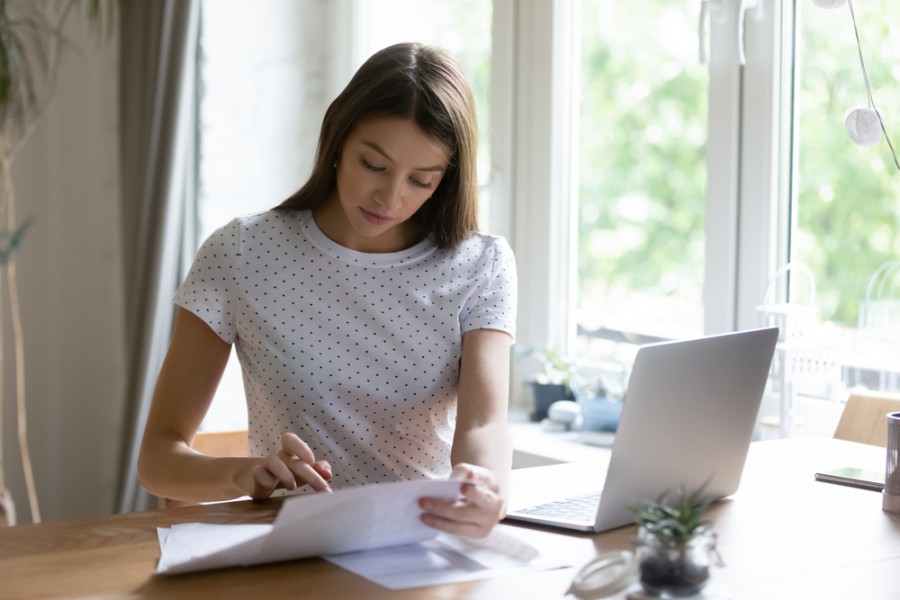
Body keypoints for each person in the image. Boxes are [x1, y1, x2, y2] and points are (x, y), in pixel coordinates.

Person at [137, 42, 517, 539]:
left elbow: (484, 428)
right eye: (373, 165)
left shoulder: (480, 263)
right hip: (292, 550)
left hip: (421, 546)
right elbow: (158, 458)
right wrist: (242, 473)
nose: (391, 197)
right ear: (338, 135)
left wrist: (485, 487)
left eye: (421, 181)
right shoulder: (242, 252)